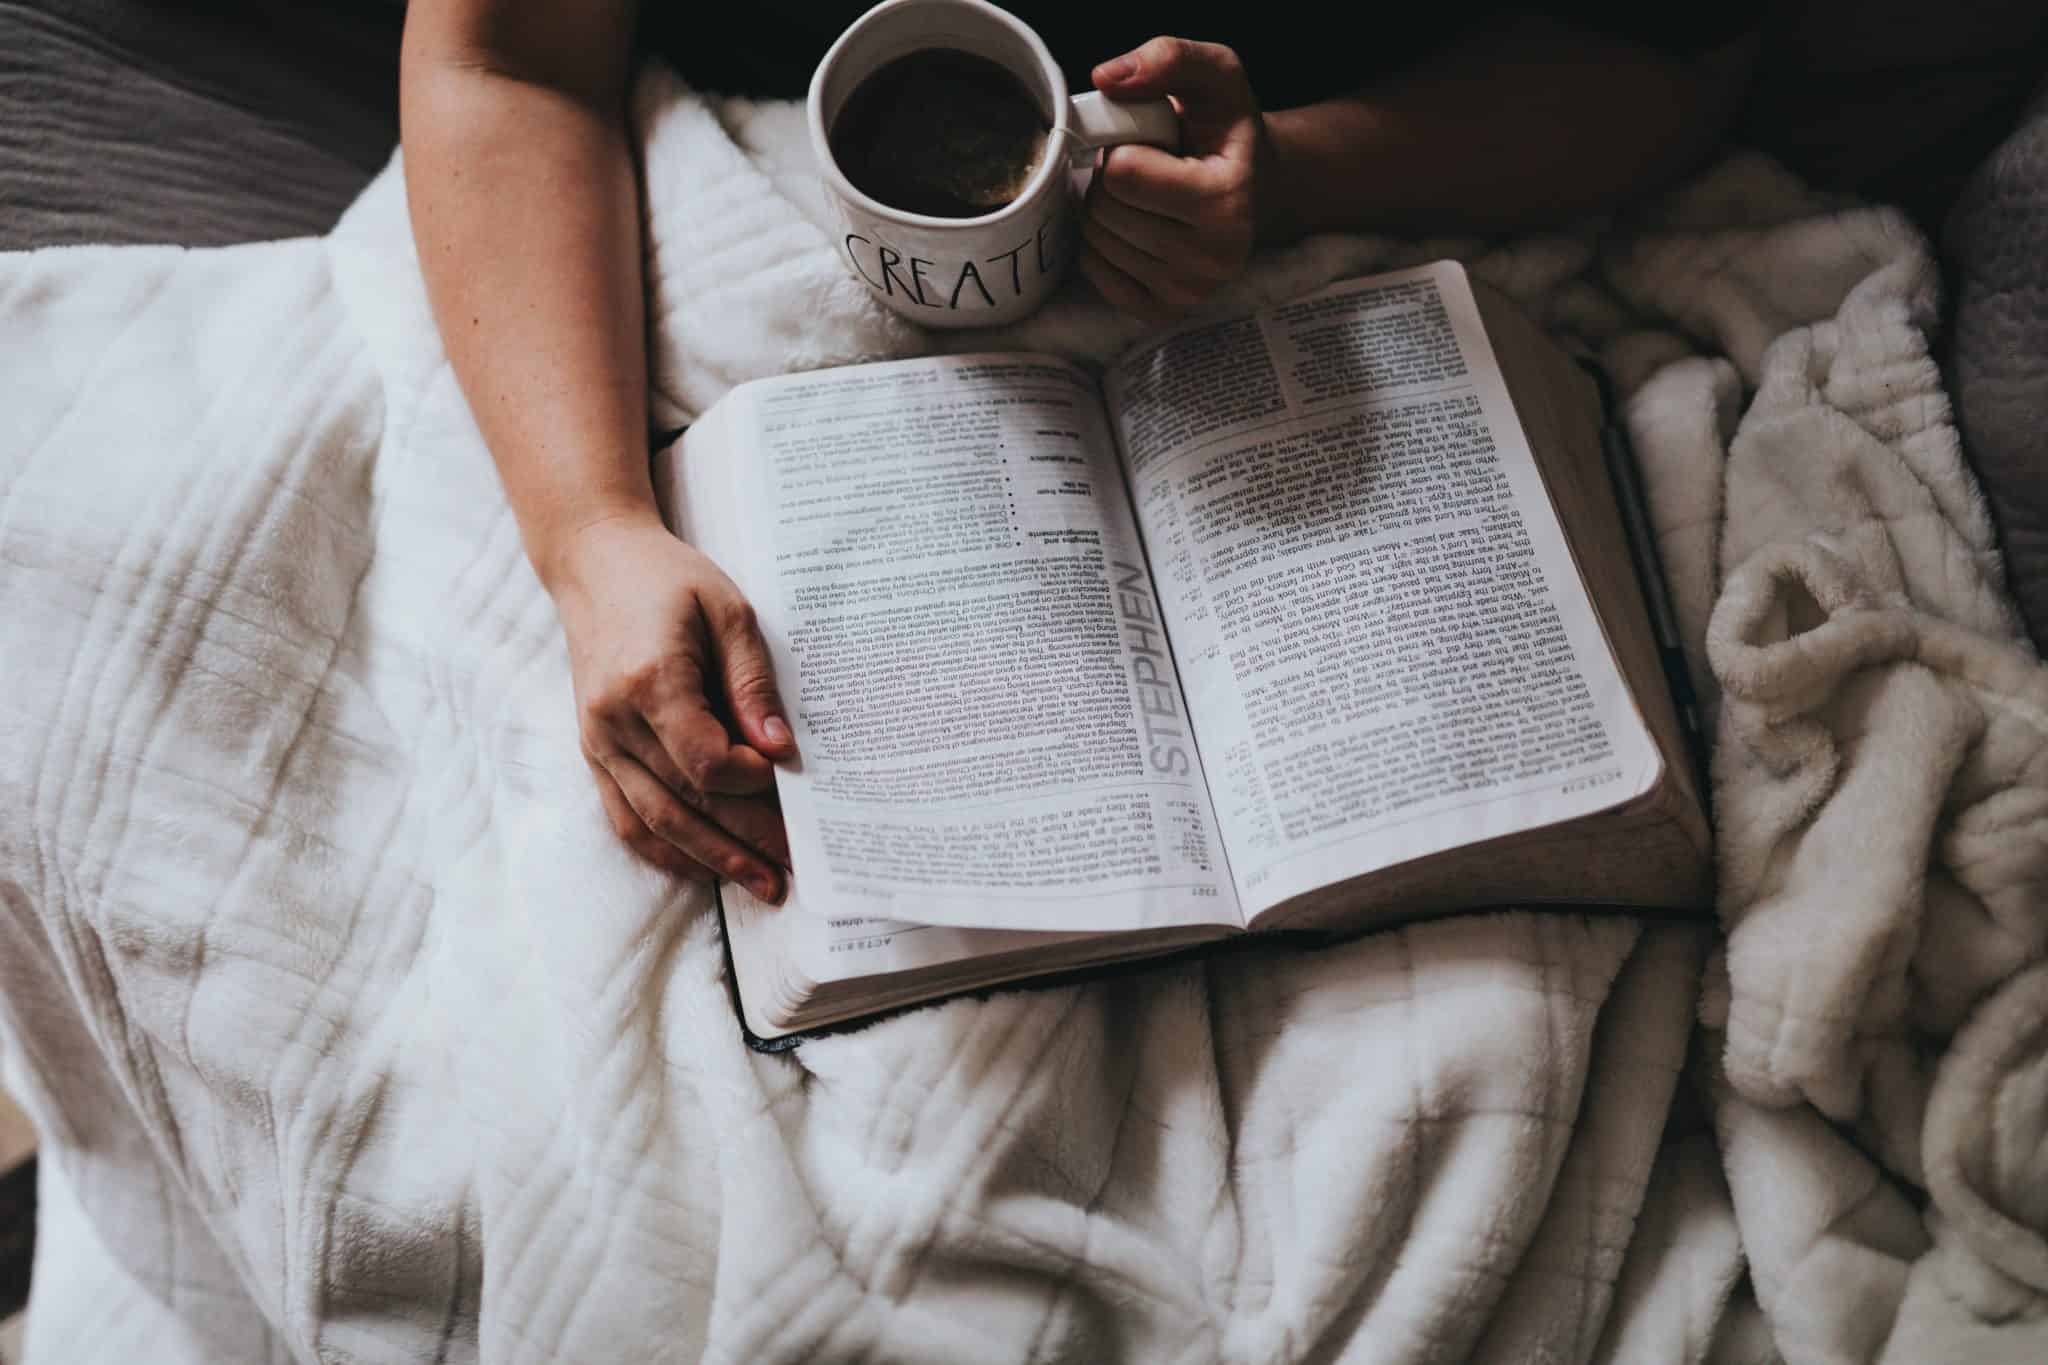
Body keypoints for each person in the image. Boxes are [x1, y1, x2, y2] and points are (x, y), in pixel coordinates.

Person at [398, 2, 1761, 902]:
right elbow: (499, 55)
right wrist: (590, 533)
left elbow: (1665, 66)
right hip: (651, 314)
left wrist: (1293, 170)